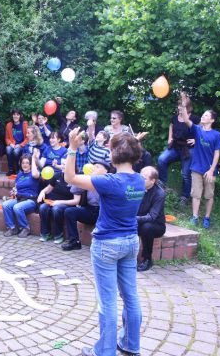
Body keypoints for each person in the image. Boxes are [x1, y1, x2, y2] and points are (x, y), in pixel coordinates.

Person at [64, 129, 145, 356]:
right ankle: (130, 344)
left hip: (107, 244)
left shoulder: (110, 181)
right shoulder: (140, 180)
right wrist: (131, 143)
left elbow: (70, 178)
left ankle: (105, 351)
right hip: (131, 242)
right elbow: (129, 161)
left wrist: (72, 148)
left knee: (107, 301)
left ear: (114, 155)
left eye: (110, 150)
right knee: (131, 296)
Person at [181, 104, 220, 229]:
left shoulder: (216, 135)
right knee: (196, 194)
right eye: (203, 115)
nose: (203, 116)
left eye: (206, 115)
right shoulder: (197, 130)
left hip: (210, 170)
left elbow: (217, 153)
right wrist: (183, 106)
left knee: (209, 195)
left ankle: (207, 217)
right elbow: (186, 119)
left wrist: (211, 170)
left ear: (212, 120)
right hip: (196, 168)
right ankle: (195, 217)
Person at [157, 96, 200, 207]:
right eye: (179, 105)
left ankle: (184, 197)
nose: (179, 107)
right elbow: (171, 126)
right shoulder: (175, 118)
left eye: (181, 105)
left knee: (186, 174)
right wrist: (169, 138)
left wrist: (196, 140)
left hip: (188, 149)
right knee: (161, 159)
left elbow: (202, 131)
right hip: (175, 146)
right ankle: (162, 184)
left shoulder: (194, 118)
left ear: (188, 107)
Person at [61, 160, 111, 251]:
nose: (94, 169)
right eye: (93, 167)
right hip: (90, 210)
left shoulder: (109, 180)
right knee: (70, 211)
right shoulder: (89, 180)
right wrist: (83, 179)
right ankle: (74, 241)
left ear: (106, 171)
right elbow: (74, 190)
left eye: (97, 167)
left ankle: (104, 245)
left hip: (104, 212)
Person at [37, 168, 81, 244]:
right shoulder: (57, 176)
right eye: (62, 164)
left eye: (65, 165)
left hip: (67, 204)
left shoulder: (75, 179)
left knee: (56, 209)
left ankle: (59, 235)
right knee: (43, 208)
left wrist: (59, 202)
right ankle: (46, 234)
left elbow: (76, 201)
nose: (63, 166)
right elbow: (48, 189)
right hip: (54, 202)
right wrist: (42, 192)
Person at [2, 151, 40, 238]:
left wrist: (33, 158)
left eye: (27, 163)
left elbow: (35, 174)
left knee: (17, 207)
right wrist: (14, 191)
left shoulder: (35, 173)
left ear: (31, 164)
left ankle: (25, 228)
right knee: (5, 205)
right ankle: (12, 228)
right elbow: (16, 187)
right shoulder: (20, 174)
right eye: (23, 163)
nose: (25, 165)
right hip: (19, 198)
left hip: (31, 200)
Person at [137, 166, 166, 272]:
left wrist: (133, 218)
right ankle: (125, 257)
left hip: (156, 225)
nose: (140, 180)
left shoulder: (159, 194)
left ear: (153, 181)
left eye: (144, 178)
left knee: (147, 227)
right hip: (139, 220)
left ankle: (147, 259)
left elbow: (152, 217)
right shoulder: (136, 187)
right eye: (140, 177)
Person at [5, 109, 28, 175]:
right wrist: (10, 144)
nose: (15, 116)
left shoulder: (24, 124)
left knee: (16, 152)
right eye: (14, 114)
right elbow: (7, 138)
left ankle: (18, 170)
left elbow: (28, 138)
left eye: (17, 115)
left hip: (22, 145)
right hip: (13, 144)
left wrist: (20, 145)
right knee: (8, 149)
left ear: (20, 116)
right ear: (12, 116)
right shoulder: (9, 125)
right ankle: (11, 169)